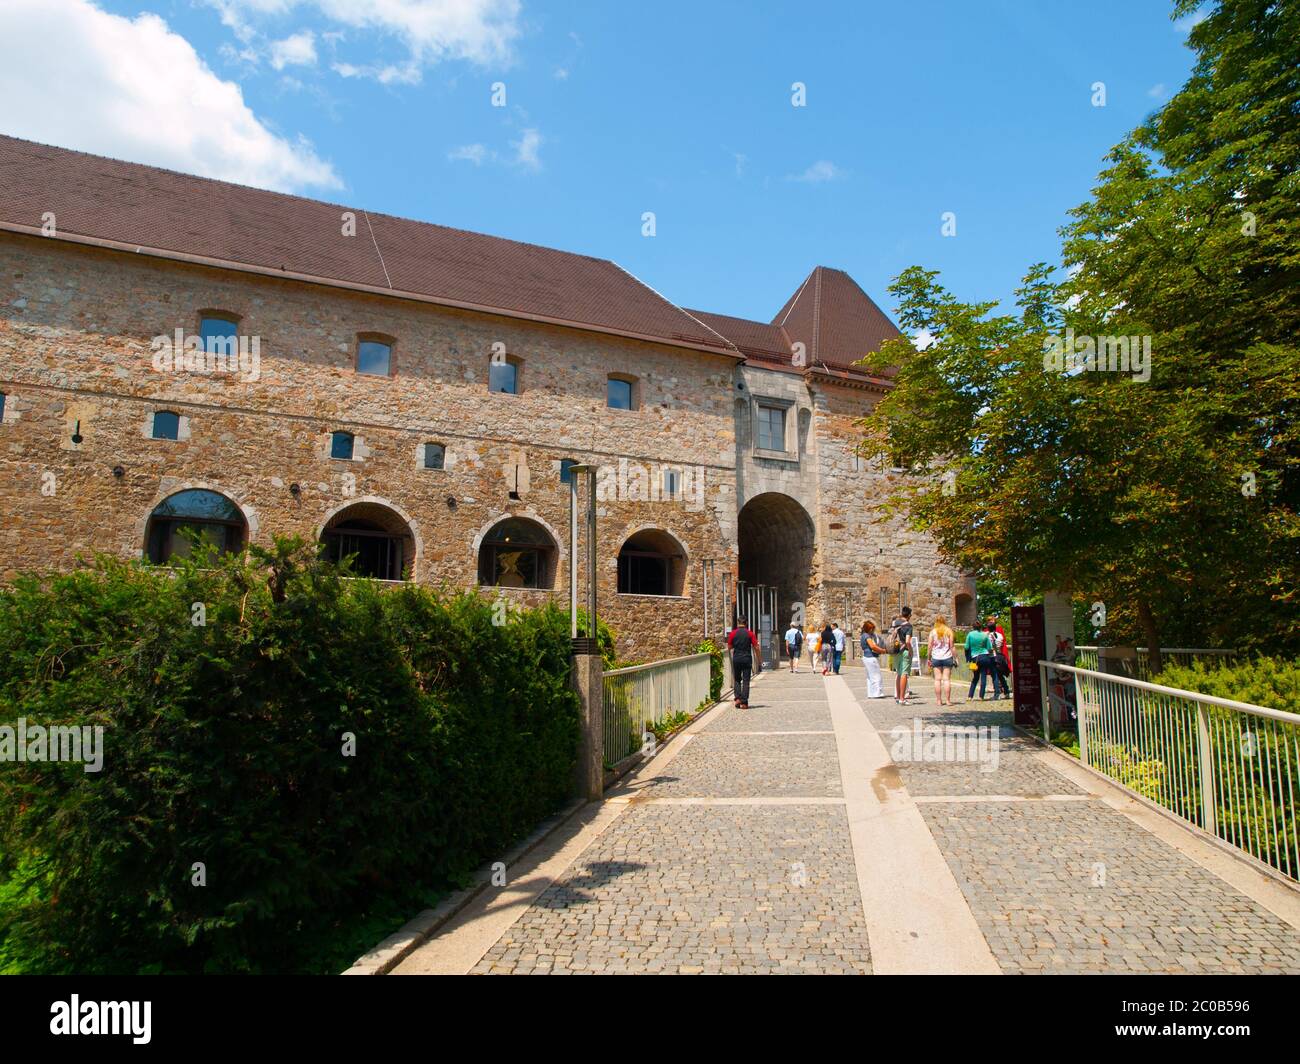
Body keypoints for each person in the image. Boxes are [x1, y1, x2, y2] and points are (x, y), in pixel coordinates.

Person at [727, 616, 760, 708]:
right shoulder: (750, 634)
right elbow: (756, 647)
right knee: (746, 680)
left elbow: (729, 647)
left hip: (736, 659)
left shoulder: (733, 633)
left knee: (737, 679)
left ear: (738, 623)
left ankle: (737, 698)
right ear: (746, 623)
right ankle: (744, 702)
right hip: (747, 659)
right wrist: (759, 659)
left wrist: (735, 645)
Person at [928, 616, 956, 706]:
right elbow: (952, 646)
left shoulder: (933, 632)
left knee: (937, 680)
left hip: (936, 657)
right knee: (946, 679)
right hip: (947, 657)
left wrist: (929, 658)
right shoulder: (949, 631)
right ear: (944, 622)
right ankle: (948, 701)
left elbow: (929, 646)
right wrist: (955, 658)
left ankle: (939, 701)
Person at [964, 623, 994, 701]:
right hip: (985, 657)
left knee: (975, 677)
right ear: (981, 627)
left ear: (973, 627)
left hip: (975, 658)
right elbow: (989, 648)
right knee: (983, 676)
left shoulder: (970, 634)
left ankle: (970, 696)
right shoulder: (985, 635)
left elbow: (966, 647)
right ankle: (981, 696)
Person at [892, 607, 914, 703]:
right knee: (904, 674)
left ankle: (897, 697)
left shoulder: (896, 624)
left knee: (899, 673)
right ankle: (902, 698)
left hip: (896, 651)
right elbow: (908, 641)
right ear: (909, 615)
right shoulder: (908, 626)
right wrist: (911, 651)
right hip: (904, 651)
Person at [861, 620, 887, 698]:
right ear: (868, 629)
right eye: (872, 629)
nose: (873, 630)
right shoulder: (867, 636)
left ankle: (871, 693)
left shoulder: (863, 635)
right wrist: (882, 650)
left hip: (866, 657)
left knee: (870, 677)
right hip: (871, 657)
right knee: (876, 676)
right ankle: (877, 693)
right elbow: (873, 646)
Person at [987, 621, 1012, 699]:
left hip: (992, 657)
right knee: (1000, 676)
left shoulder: (988, 636)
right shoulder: (1000, 635)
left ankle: (997, 693)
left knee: (995, 676)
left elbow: (988, 647)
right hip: (1000, 656)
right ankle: (1006, 692)